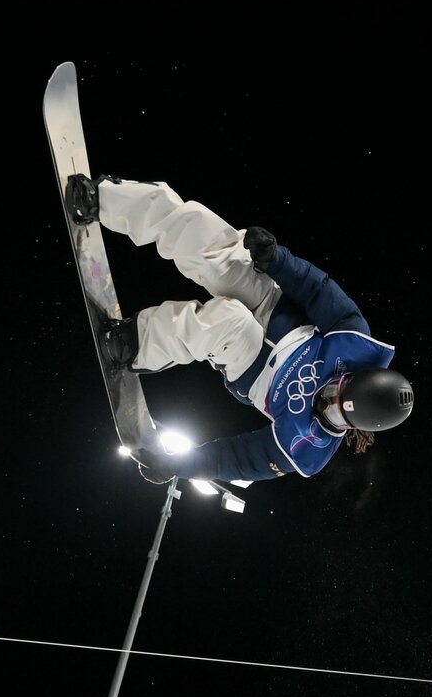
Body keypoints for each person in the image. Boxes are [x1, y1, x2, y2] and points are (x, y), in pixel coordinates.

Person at [65, 174, 414, 483]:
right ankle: (107, 198)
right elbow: (318, 289)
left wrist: (179, 465)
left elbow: (240, 460)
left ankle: (134, 343)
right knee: (217, 251)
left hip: (253, 365)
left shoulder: (307, 446)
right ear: (356, 375)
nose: (325, 397)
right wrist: (277, 260)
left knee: (227, 320)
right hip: (274, 306)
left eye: (334, 412)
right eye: (336, 387)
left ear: (351, 428)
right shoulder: (358, 343)